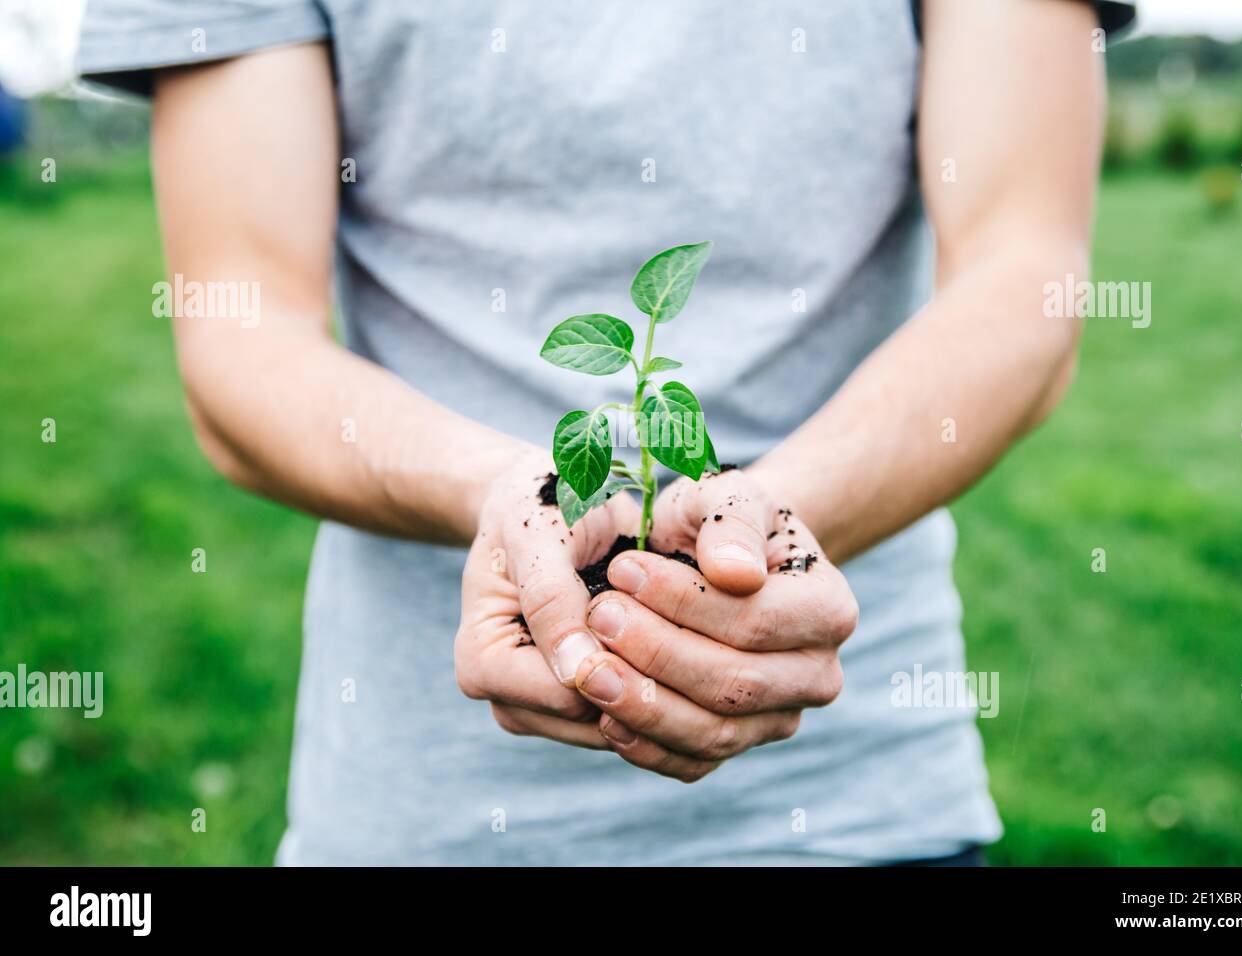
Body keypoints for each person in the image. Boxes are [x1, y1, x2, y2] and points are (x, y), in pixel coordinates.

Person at [77, 0, 1134, 865]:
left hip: (857, 807)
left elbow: (1023, 272)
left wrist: (759, 531)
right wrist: (502, 493)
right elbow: (238, 332)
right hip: (424, 817)